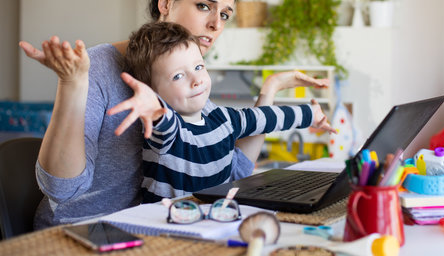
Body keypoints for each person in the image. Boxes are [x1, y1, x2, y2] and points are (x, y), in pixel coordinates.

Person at [19, 0, 331, 229]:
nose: (214, 25)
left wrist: (270, 89)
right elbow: (61, 189)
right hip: (84, 232)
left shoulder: (188, 80)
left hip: (156, 229)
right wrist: (72, 84)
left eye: (224, 15)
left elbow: (232, 172)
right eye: (204, 6)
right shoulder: (98, 67)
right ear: (166, 3)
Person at [108, 22, 335, 202]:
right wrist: (154, 109)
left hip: (214, 218)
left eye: (199, 67)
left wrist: (310, 114)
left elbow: (264, 119)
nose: (197, 80)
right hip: (166, 228)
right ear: (153, 92)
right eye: (178, 76)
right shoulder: (170, 133)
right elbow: (163, 122)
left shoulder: (223, 118)